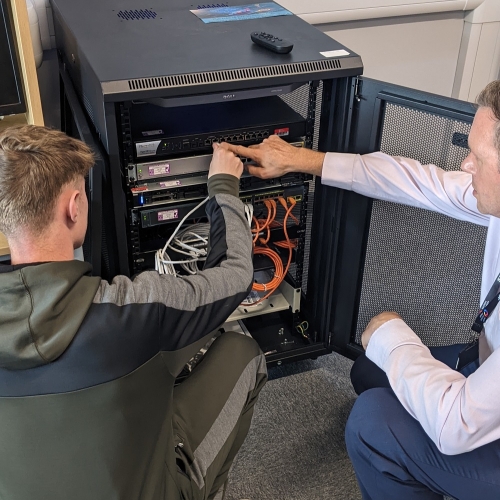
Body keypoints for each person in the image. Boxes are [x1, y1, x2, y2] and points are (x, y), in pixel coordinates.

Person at [222, 80, 500, 499]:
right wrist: (297, 158)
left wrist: (390, 332)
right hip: (487, 370)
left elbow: (453, 426)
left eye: (477, 156)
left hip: (471, 420)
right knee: (370, 370)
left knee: (372, 422)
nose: (464, 165)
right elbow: (418, 181)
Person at [0, 125, 267, 500]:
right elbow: (236, 275)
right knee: (242, 351)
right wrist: (223, 186)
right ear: (74, 206)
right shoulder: (137, 313)